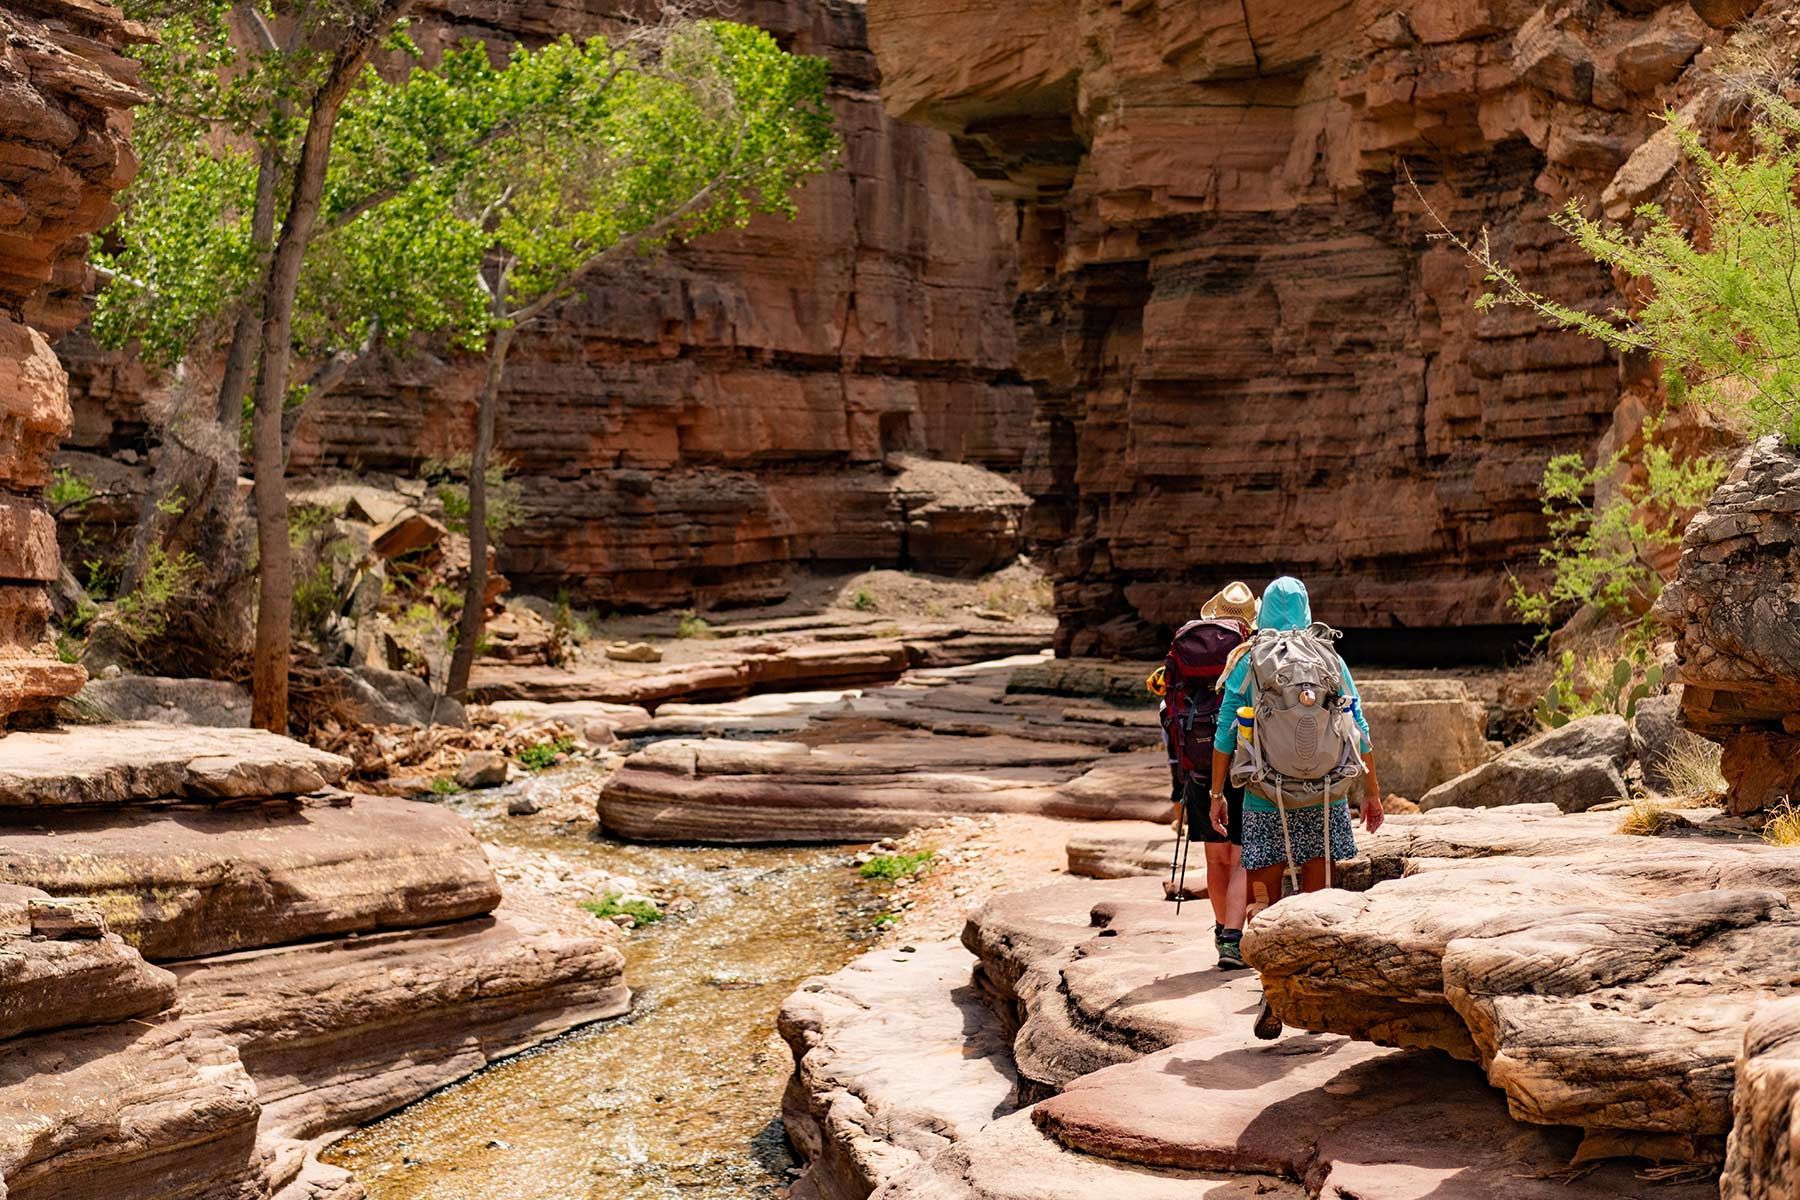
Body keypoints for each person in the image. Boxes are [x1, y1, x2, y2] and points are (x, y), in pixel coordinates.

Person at [1208, 576, 1382, 1038]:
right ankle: (1317, 992)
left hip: (1267, 794)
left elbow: (1225, 730)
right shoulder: (1329, 657)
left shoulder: (1248, 661)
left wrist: (1216, 793)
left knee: (1266, 903)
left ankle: (1271, 988)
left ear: (1263, 613)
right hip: (1325, 794)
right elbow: (1358, 726)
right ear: (1307, 609)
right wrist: (1373, 793)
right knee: (1318, 900)